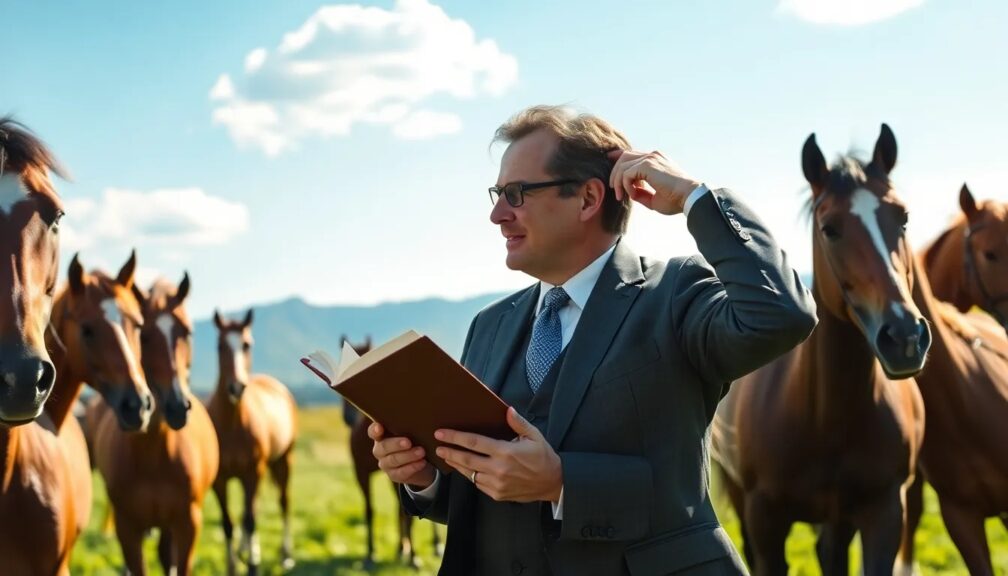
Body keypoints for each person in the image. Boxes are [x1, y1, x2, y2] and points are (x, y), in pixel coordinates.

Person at [369, 105, 816, 575]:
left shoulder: (675, 294)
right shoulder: (490, 324)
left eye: (517, 194)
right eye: (498, 194)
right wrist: (427, 479)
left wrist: (693, 198)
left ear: (587, 199)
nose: (497, 214)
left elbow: (781, 313)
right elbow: (485, 495)